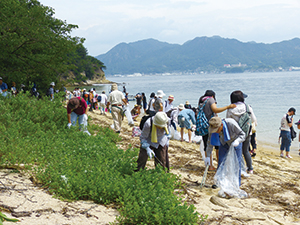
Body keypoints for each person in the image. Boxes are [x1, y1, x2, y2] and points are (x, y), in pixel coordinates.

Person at [198, 90, 236, 171]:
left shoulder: (202, 100)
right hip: (212, 126)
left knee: (207, 146)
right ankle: (220, 164)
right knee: (217, 146)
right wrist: (227, 107)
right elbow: (215, 110)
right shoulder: (211, 99)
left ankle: (209, 165)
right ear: (213, 96)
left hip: (204, 126)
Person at [206, 116, 246, 186]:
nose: (215, 132)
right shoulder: (212, 130)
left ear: (221, 125)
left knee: (237, 163)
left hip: (235, 142)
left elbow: (243, 134)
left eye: (216, 130)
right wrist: (208, 156)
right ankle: (219, 182)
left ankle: (237, 183)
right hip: (224, 142)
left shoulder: (231, 123)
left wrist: (237, 141)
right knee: (221, 161)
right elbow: (209, 143)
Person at [226, 90, 257, 174]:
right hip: (247, 133)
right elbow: (253, 120)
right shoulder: (247, 107)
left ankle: (239, 168)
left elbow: (229, 121)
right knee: (246, 151)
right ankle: (250, 168)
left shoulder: (230, 108)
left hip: (236, 134)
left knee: (237, 151)